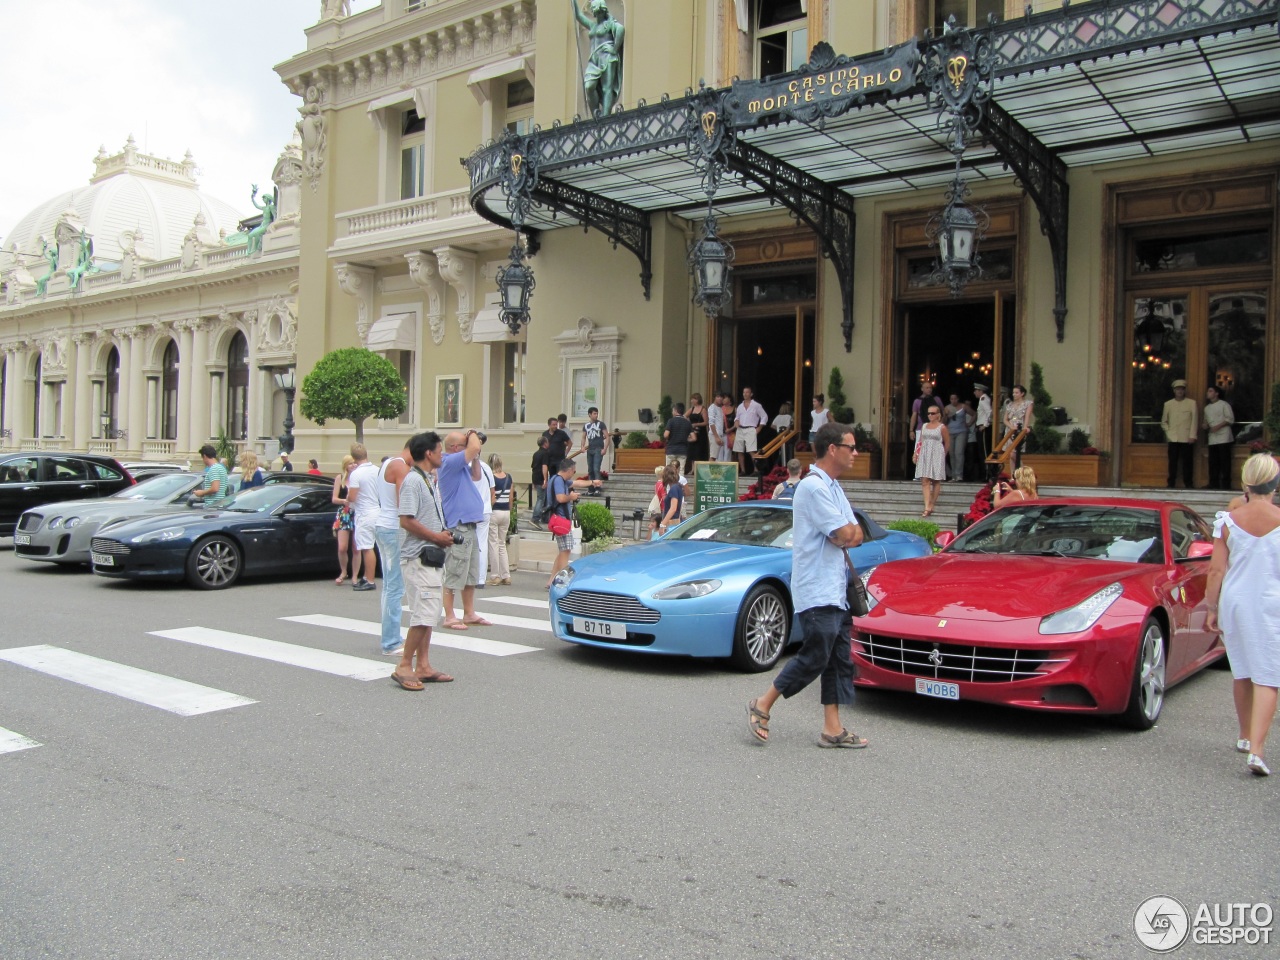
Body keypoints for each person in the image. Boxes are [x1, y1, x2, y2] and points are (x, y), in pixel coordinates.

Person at [747, 421, 869, 749]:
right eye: (851, 447)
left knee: (838, 658)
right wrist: (847, 532)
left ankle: (833, 728)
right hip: (816, 589)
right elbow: (846, 535)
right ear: (833, 449)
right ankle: (763, 702)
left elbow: (856, 531)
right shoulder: (813, 488)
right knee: (816, 655)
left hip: (834, 589)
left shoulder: (833, 487)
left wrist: (848, 532)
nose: (856, 453)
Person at [1205, 453, 1280, 777]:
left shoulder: (1228, 520)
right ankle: (1258, 751)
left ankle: (1245, 735)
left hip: (1235, 601)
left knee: (1243, 671)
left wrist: (1210, 607)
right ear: (1275, 484)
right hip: (1270, 601)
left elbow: (1216, 570)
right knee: (1269, 676)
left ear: (1245, 483)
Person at [391, 431, 455, 691]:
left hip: (429, 556)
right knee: (423, 613)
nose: (443, 454)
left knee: (429, 613)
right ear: (428, 453)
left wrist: (441, 535)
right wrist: (436, 537)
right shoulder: (413, 481)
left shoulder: (429, 479)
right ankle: (404, 665)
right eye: (440, 450)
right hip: (418, 556)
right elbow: (406, 520)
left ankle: (424, 666)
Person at [438, 430, 489, 630]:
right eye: (465, 443)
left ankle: (469, 613)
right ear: (456, 448)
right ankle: (449, 615)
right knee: (454, 570)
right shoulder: (448, 462)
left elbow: (477, 476)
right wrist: (472, 434)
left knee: (470, 573)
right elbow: (474, 446)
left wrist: (475, 456)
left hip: (470, 524)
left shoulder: (460, 466)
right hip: (458, 525)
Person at [374, 440, 412, 655]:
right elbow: (404, 502)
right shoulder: (400, 466)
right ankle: (391, 641)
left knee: (391, 586)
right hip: (392, 528)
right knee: (395, 587)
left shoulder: (389, 463)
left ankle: (392, 637)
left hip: (385, 526)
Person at [570, 0, 625, 118]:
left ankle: (605, 117)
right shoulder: (593, 26)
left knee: (607, 88)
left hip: (607, 57)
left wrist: (614, 49)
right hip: (594, 60)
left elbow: (620, 29)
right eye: (596, 12)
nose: (598, 14)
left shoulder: (610, 23)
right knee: (589, 87)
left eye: (600, 11)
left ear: (603, 10)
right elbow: (579, 16)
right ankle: (596, 114)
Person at [546, 458, 595, 587]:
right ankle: (562, 579)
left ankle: (551, 580)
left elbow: (577, 483)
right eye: (573, 471)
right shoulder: (558, 481)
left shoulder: (559, 479)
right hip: (561, 519)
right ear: (568, 470)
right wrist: (571, 497)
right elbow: (560, 498)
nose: (574, 473)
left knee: (563, 550)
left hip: (559, 519)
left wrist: (592, 482)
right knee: (566, 550)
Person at [346, 444, 380, 592]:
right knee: (376, 546)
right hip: (377, 510)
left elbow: (352, 496)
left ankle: (370, 579)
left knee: (367, 547)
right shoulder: (377, 470)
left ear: (353, 457)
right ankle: (366, 577)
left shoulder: (356, 474)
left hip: (364, 512)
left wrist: (347, 498)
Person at [913, 403, 950, 518]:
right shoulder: (924, 426)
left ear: (938, 414)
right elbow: (920, 441)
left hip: (937, 453)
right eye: (928, 413)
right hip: (925, 453)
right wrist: (916, 453)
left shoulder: (942, 427)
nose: (930, 415)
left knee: (936, 480)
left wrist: (943, 454)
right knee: (925, 480)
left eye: (932, 413)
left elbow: (947, 442)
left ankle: (932, 504)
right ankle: (927, 506)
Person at [1160, 379, 1198, 489]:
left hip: (1187, 437)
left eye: (1181, 389)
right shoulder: (1168, 404)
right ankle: (1171, 483)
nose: (1179, 391)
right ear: (1174, 391)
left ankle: (1188, 483)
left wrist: (1192, 435)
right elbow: (1164, 421)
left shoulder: (1191, 403)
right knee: (1173, 462)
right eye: (1177, 389)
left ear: (1184, 391)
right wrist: (1168, 432)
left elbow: (1194, 420)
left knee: (1187, 462)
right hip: (1173, 438)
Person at [471, 434, 495, 592]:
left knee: (468, 543)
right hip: (485, 509)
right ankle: (480, 578)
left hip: (471, 510)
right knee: (482, 543)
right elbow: (493, 492)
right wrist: (489, 506)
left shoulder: (466, 466)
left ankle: (471, 576)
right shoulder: (486, 467)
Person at [487, 454, 513, 586]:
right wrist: (509, 511)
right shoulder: (509, 477)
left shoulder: (491, 477)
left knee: (493, 543)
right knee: (502, 543)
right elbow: (510, 499)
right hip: (506, 512)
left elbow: (491, 496)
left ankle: (495, 575)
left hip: (494, 511)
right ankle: (506, 575)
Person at [1203, 385, 1235, 490]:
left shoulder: (1224, 404)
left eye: (1210, 390)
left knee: (1224, 462)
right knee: (1213, 462)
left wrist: (1217, 426)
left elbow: (1229, 419)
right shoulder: (1207, 408)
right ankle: (1213, 483)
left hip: (1224, 437)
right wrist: (1205, 425)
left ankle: (1226, 484)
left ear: (1216, 393)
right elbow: (1206, 421)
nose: (1208, 393)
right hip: (1213, 438)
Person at [331, 455, 356, 584]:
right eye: (350, 463)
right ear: (345, 465)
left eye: (354, 463)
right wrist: (344, 501)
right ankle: (344, 571)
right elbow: (334, 498)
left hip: (356, 512)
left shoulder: (359, 478)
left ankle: (355, 576)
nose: (353, 465)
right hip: (344, 513)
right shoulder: (340, 479)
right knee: (342, 547)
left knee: (356, 547)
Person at [733, 387, 768, 476]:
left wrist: (759, 427)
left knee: (751, 450)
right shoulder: (740, 406)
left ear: (751, 394)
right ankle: (743, 470)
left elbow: (764, 416)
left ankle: (756, 469)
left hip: (750, 428)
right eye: (744, 392)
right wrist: (736, 422)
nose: (745, 394)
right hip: (740, 429)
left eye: (747, 392)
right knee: (739, 450)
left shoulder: (756, 405)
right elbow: (737, 417)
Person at [575, 407, 610, 491]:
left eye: (597, 413)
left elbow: (607, 437)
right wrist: (582, 446)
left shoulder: (601, 424)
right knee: (590, 469)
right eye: (594, 413)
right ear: (589, 414)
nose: (596, 415)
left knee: (596, 468)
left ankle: (597, 487)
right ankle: (591, 487)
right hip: (590, 449)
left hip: (598, 449)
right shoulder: (586, 425)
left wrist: (604, 448)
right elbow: (583, 437)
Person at [1001, 383, 1034, 470]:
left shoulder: (1028, 403)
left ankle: (1024, 473)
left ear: (1022, 393)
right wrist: (1011, 426)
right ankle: (1013, 476)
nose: (1014, 394)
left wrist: (1025, 428)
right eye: (1013, 393)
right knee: (1011, 455)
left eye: (1016, 393)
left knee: (1014, 454)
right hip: (1010, 430)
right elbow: (1005, 419)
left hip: (1019, 430)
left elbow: (1027, 417)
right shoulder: (1010, 405)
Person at [943, 393, 973, 482]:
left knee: (959, 453)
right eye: (951, 399)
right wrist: (945, 415)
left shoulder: (963, 406)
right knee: (951, 454)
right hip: (950, 432)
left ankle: (959, 475)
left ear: (958, 399)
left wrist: (970, 423)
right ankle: (953, 476)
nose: (953, 400)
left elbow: (974, 414)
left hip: (961, 432)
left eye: (955, 398)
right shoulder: (947, 408)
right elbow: (943, 422)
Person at [530, 435, 553, 529]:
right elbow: (544, 467)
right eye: (547, 442)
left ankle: (542, 516)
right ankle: (535, 518)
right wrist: (545, 480)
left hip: (535, 477)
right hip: (540, 478)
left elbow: (533, 467)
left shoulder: (536, 454)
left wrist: (533, 481)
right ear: (545, 443)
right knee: (541, 499)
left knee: (541, 498)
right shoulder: (545, 454)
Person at [657, 461, 684, 536]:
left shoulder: (674, 488)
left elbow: (673, 508)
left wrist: (662, 524)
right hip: (676, 521)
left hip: (672, 523)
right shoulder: (678, 487)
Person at [687, 393, 708, 473]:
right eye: (691, 399)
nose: (692, 400)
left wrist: (696, 424)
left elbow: (706, 422)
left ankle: (699, 469)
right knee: (692, 451)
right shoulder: (691, 409)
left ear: (697, 400)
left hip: (701, 433)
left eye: (693, 399)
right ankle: (692, 469)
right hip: (693, 432)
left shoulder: (703, 409)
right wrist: (689, 424)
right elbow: (684, 416)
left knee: (699, 451)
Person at [973, 382, 993, 466]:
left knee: (984, 451)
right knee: (981, 451)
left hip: (983, 427)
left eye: (976, 391)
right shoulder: (982, 399)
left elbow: (989, 412)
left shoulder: (983, 399)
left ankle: (987, 473)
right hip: (980, 426)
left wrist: (985, 425)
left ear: (980, 391)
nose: (974, 392)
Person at [771, 402, 794, 467]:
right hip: (786, 435)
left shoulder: (778, 416)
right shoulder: (789, 417)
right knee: (787, 451)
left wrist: (778, 428)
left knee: (781, 451)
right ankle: (784, 465)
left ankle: (777, 465)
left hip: (779, 434)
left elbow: (772, 425)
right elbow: (790, 426)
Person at [706, 391, 726, 462]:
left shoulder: (720, 408)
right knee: (713, 456)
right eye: (718, 397)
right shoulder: (712, 408)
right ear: (714, 398)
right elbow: (711, 423)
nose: (720, 399)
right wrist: (716, 437)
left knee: (715, 456)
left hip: (719, 434)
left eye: (721, 397)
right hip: (714, 434)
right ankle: (708, 472)